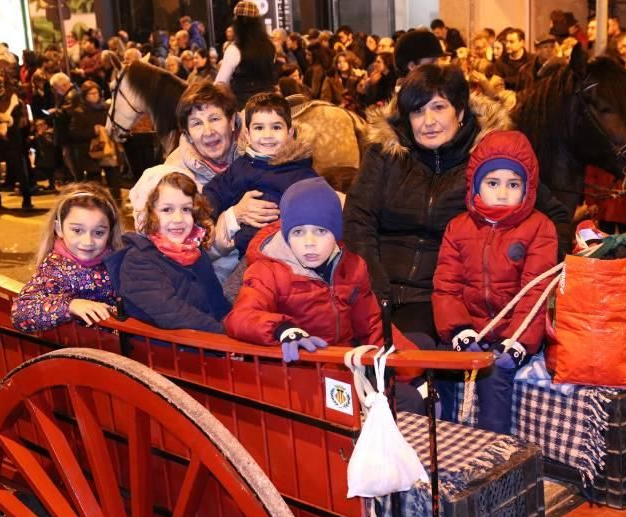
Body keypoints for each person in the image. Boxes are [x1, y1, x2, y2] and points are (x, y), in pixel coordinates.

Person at [342, 64, 569, 340]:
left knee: (409, 353)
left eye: (438, 107)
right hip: (377, 286)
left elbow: (554, 217)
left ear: (460, 111)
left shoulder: (490, 158)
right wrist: (375, 288)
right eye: (417, 111)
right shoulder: (386, 154)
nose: (428, 121)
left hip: (442, 296)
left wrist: (515, 269)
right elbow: (358, 220)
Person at [224, 178, 428, 412]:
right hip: (295, 373)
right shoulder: (268, 271)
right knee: (405, 400)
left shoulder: (351, 267)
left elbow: (372, 325)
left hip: (343, 364)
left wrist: (412, 371)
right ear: (286, 233)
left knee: (415, 370)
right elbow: (241, 316)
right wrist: (282, 329)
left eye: (321, 231)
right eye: (299, 232)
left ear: (336, 234)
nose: (309, 243)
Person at [432, 130, 558, 433]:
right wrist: (459, 331)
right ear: (476, 184)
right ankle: (446, 439)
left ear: (528, 188)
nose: (502, 193)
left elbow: (537, 291)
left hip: (510, 335)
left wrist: (517, 342)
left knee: (494, 377)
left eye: (513, 184)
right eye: (492, 183)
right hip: (468, 329)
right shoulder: (459, 227)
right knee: (442, 369)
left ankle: (493, 452)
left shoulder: (539, 227)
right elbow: (446, 286)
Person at [130, 82, 280, 280]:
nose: (208, 131)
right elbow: (176, 252)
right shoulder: (173, 178)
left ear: (233, 120)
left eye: (214, 118)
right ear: (187, 134)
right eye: (196, 123)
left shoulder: (257, 152)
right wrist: (233, 217)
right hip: (210, 282)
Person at [105, 172, 231, 332]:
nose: (178, 219)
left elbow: (218, 302)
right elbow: (174, 314)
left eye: (186, 209)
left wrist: (236, 325)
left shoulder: (195, 252)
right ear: (148, 214)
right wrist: (225, 334)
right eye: (167, 210)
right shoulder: (138, 262)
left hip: (205, 344)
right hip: (164, 351)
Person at [202, 92, 318, 258]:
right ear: (248, 135)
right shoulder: (241, 166)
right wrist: (206, 218)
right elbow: (214, 191)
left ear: (290, 133)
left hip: (286, 255)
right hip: (245, 254)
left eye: (276, 127)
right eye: (259, 128)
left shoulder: (300, 174)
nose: (267, 136)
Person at [12, 183, 124, 332]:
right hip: (88, 348)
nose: (88, 241)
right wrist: (70, 305)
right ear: (59, 229)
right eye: (77, 230)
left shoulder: (118, 259)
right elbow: (21, 313)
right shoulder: (54, 269)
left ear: (110, 232)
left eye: (98, 232)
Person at [214, 0, 276, 108]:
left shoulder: (234, 49)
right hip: (269, 105)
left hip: (244, 110)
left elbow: (221, 84)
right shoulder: (270, 47)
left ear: (237, 23)